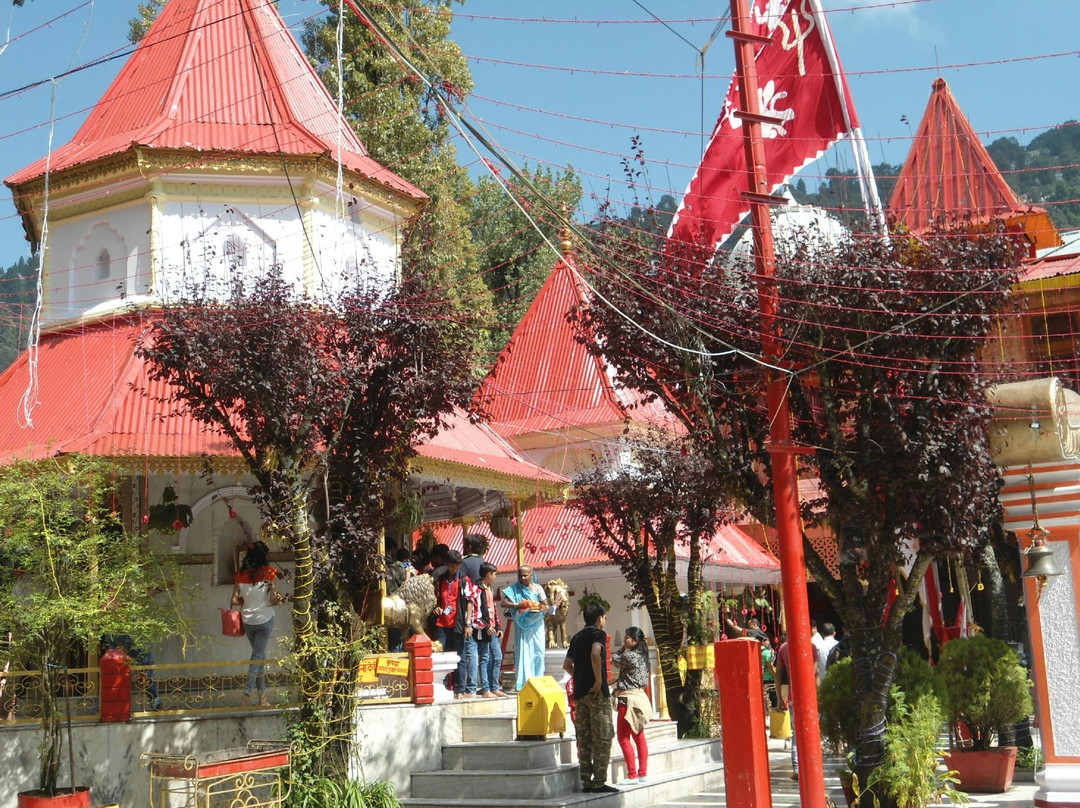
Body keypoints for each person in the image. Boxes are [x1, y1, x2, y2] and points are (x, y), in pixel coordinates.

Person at [563, 602, 616, 794]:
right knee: (602, 735)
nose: (605, 620)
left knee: (584, 738)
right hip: (595, 693)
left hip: (580, 693)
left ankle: (586, 780)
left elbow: (567, 664)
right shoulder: (597, 634)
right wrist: (598, 680)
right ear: (599, 617)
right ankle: (599, 781)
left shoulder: (577, 637)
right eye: (604, 617)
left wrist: (580, 677)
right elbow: (596, 653)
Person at [231, 540, 284, 707]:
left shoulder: (240, 574)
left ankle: (263, 698)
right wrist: (276, 599)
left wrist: (247, 600)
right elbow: (274, 599)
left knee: (259, 656)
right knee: (257, 656)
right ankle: (247, 691)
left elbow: (234, 599)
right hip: (265, 619)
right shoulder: (270, 573)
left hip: (248, 621)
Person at [774, 632, 821, 780]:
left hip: (793, 696)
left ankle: (797, 767)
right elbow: (815, 673)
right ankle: (812, 765)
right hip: (810, 696)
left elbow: (778, 675)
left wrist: (780, 698)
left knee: (796, 732)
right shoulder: (812, 647)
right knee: (812, 730)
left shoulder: (783, 648)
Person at [611, 626, 652, 785]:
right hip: (640, 698)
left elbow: (614, 659)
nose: (624, 640)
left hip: (628, 700)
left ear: (635, 641)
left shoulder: (629, 656)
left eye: (627, 638)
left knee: (623, 738)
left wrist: (623, 648)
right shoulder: (643, 656)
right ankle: (643, 773)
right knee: (639, 737)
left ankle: (632, 775)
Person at [435, 550, 478, 699]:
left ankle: (459, 689)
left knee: (460, 656)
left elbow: (469, 602)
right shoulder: (440, 580)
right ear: (447, 565)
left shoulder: (464, 580)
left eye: (456, 566)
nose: (454, 569)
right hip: (442, 623)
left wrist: (468, 624)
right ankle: (444, 687)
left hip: (458, 623)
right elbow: (436, 600)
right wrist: (437, 608)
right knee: (442, 655)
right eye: (451, 566)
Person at [501, 565, 551, 692]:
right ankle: (524, 684)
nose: (523, 578)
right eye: (521, 575)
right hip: (522, 627)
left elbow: (546, 605)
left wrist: (542, 608)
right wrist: (518, 605)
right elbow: (504, 603)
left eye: (525, 575)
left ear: (531, 574)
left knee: (538, 653)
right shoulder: (514, 589)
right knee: (523, 654)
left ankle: (538, 681)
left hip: (537, 626)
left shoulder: (538, 588)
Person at [476, 562, 507, 698]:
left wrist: (498, 626)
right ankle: (486, 688)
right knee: (484, 658)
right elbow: (476, 611)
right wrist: (486, 626)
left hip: (493, 629)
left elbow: (494, 610)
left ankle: (494, 687)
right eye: (494, 574)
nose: (495, 577)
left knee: (497, 657)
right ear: (488, 574)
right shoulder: (477, 590)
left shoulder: (490, 588)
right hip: (483, 629)